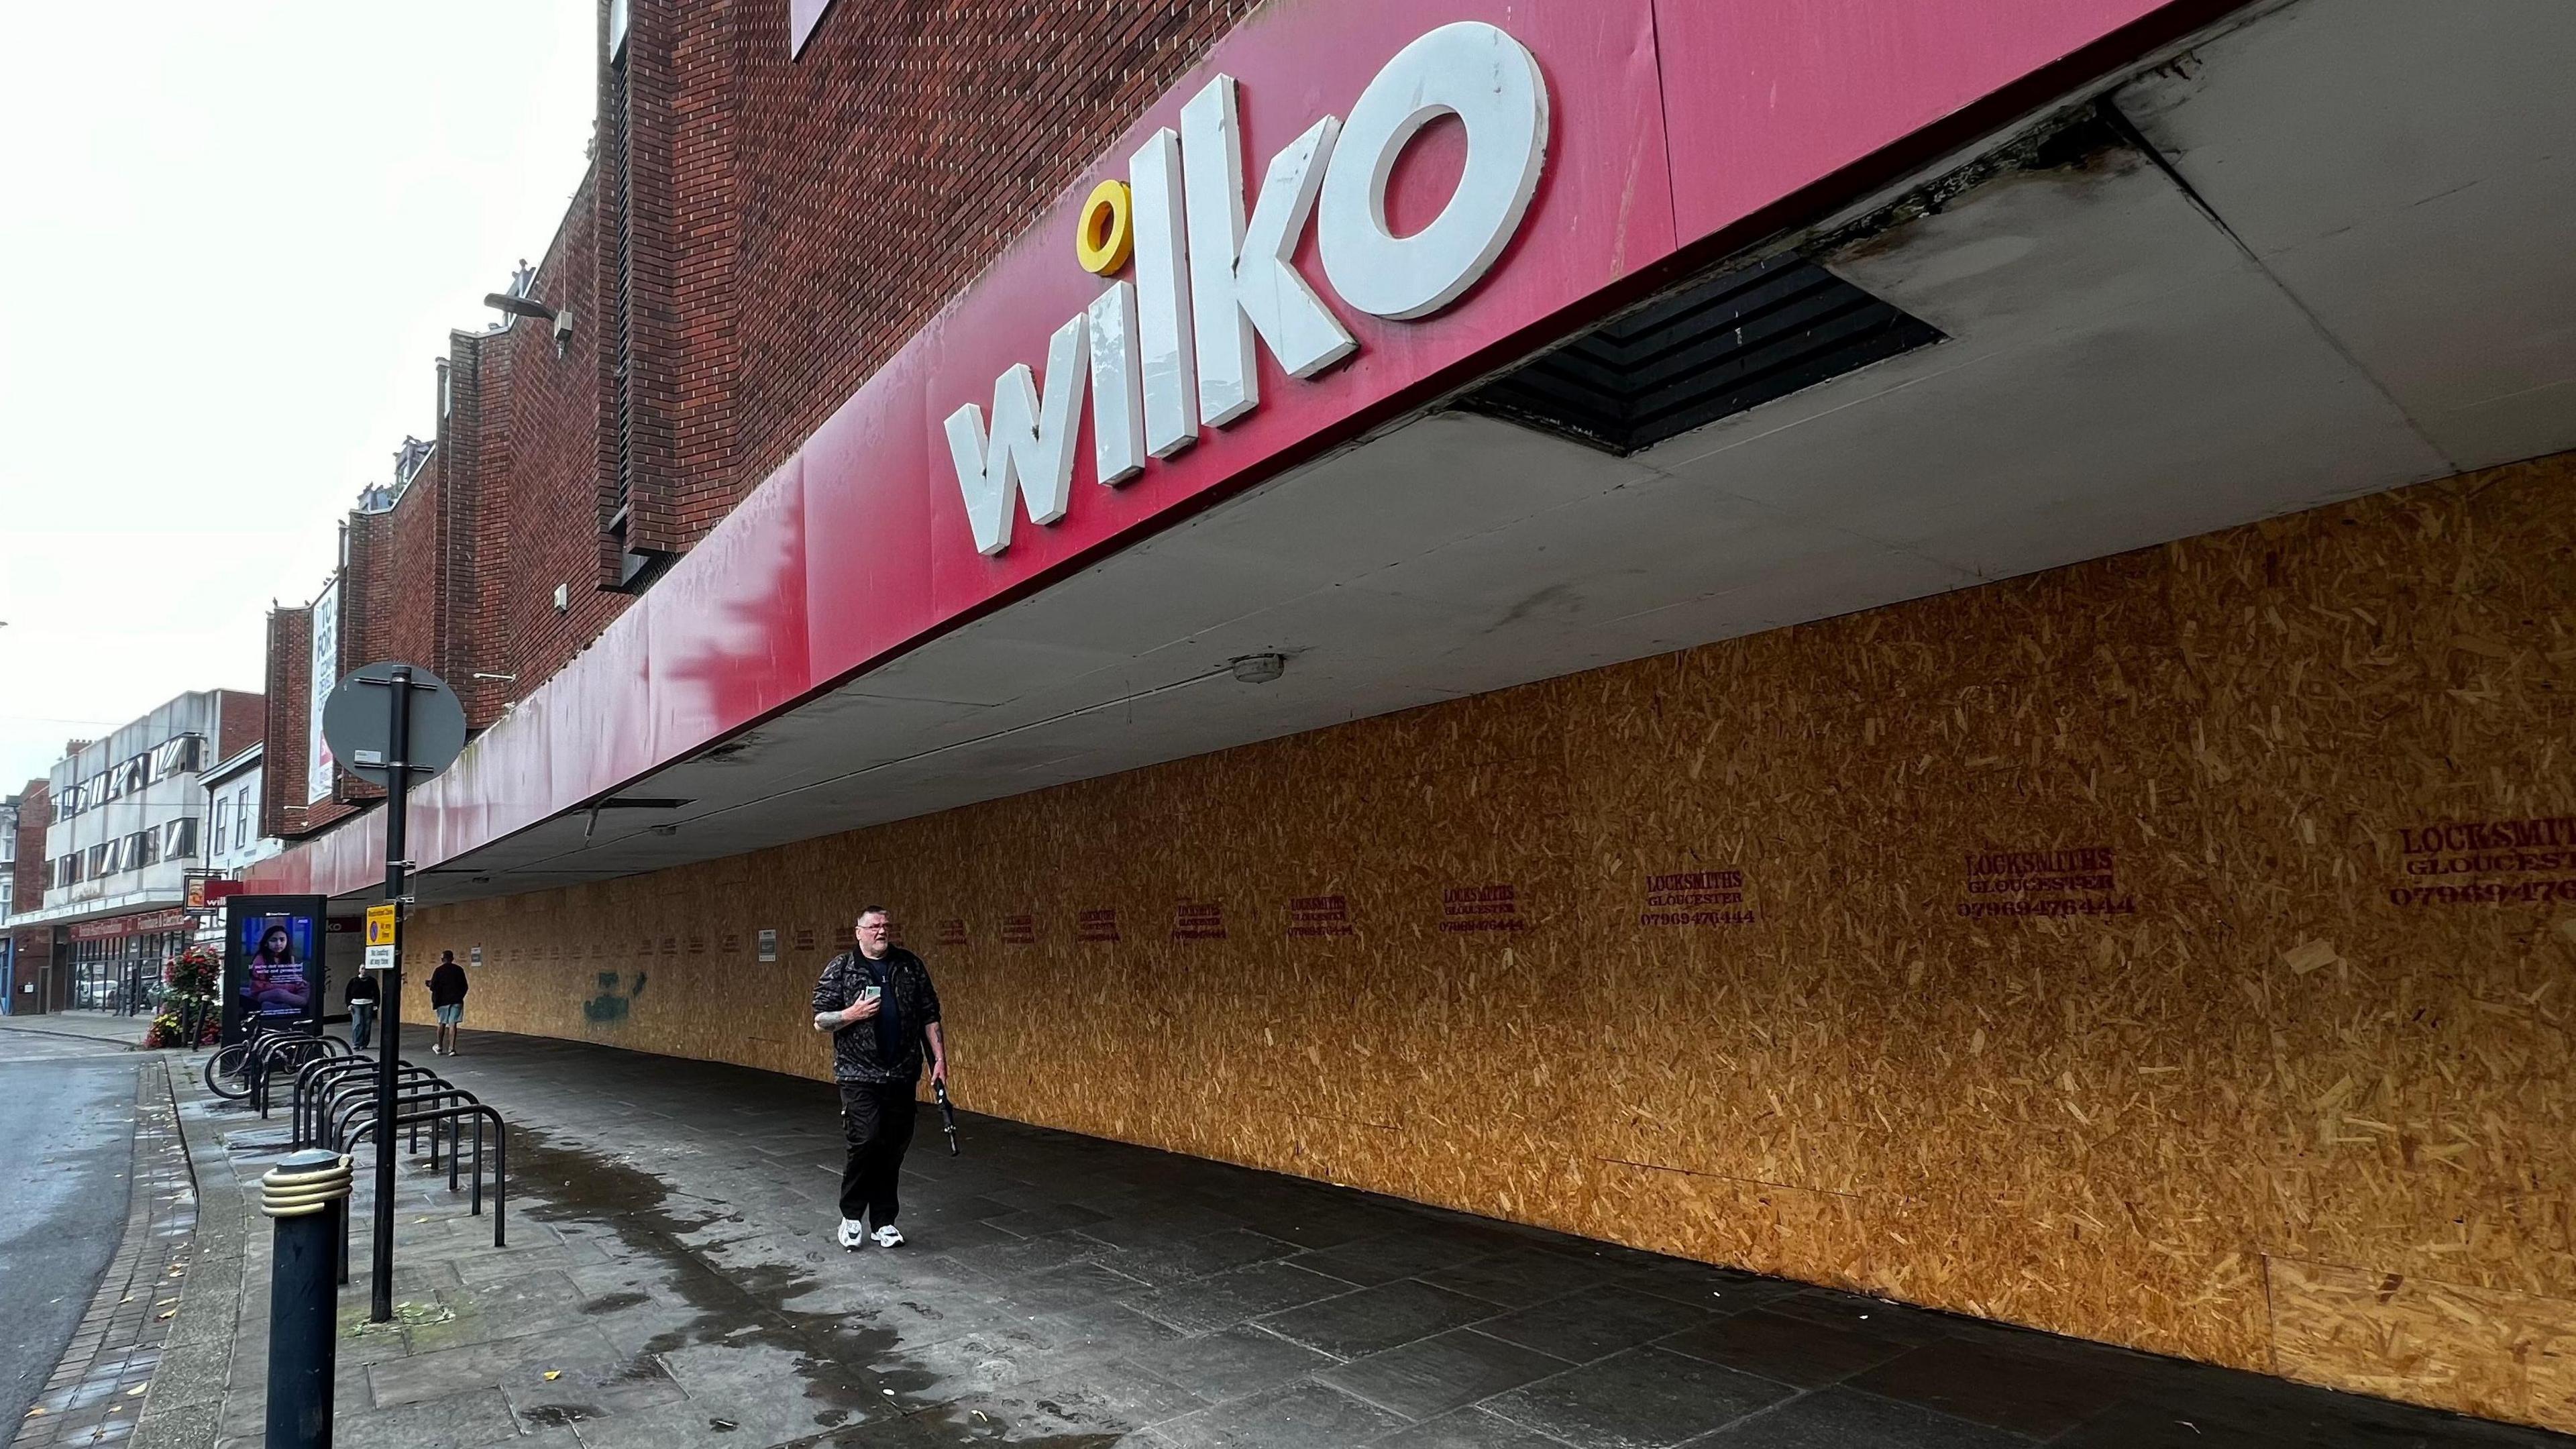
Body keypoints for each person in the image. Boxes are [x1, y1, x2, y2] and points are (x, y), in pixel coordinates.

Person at [811, 907, 946, 1250]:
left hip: (901, 1072)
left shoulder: (910, 966)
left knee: (893, 1147)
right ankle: (852, 1216)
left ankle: (884, 1221)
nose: (881, 931)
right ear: (859, 932)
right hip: (858, 1074)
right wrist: (851, 1014)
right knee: (866, 1141)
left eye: (886, 926)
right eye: (874, 926)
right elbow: (820, 1019)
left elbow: (930, 1014)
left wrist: (939, 1059)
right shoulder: (842, 968)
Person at [427, 950, 470, 1056]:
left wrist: (430, 984)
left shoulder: (439, 970)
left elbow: (433, 987)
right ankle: (452, 1049)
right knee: (453, 1024)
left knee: (442, 1023)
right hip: (456, 1000)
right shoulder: (459, 970)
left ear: (442, 959)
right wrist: (460, 996)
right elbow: (465, 986)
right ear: (452, 959)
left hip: (442, 1001)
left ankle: (440, 1047)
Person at [345, 969, 381, 1050]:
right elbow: (348, 993)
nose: (364, 971)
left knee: (367, 1024)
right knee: (358, 1023)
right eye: (362, 969)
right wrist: (349, 1004)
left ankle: (364, 1043)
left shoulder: (372, 981)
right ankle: (357, 1043)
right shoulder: (354, 981)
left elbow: (376, 993)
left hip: (368, 1003)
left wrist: (376, 1004)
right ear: (359, 970)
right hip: (356, 1004)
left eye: (365, 969)